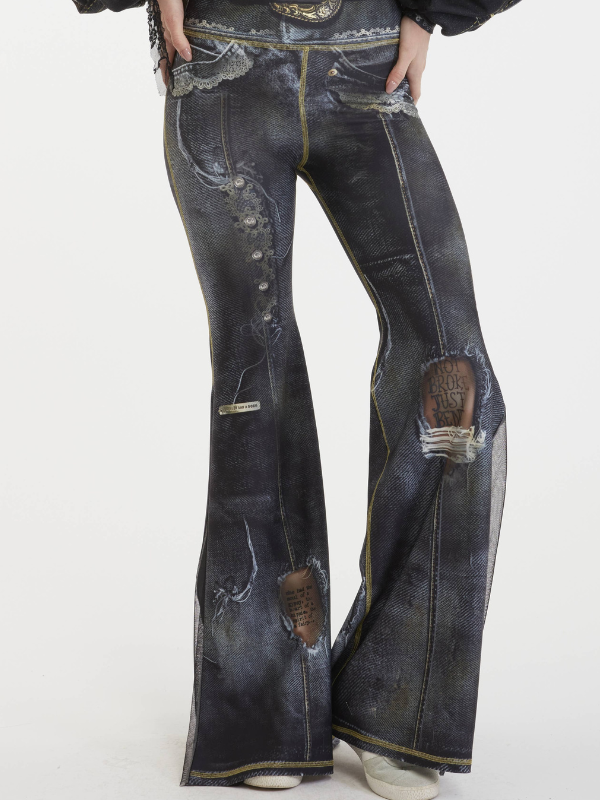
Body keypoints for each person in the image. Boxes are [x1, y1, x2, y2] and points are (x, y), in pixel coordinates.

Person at [73, 2, 521, 797]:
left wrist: (430, 11)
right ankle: (270, 707)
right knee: (257, 370)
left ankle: (400, 702)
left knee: (453, 366)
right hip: (224, 59)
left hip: (370, 58)